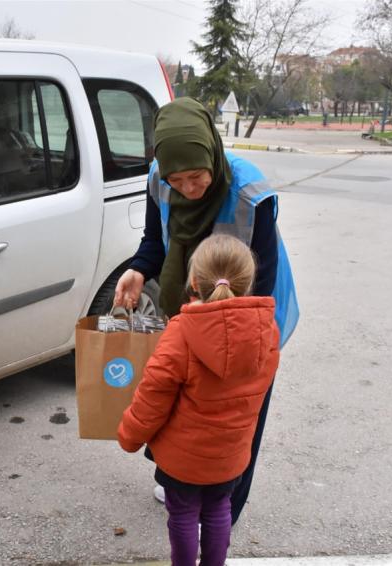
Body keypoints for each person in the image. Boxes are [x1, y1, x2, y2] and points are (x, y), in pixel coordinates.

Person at [112, 97, 298, 524]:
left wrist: (236, 338)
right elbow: (155, 240)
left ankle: (225, 508)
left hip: (254, 312)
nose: (187, 189)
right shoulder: (160, 177)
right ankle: (180, 479)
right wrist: (139, 270)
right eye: (177, 181)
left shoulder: (251, 193)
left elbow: (262, 279)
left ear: (211, 152)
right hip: (189, 311)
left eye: (196, 177)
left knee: (235, 416)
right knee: (183, 401)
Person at [118, 234, 280, 566]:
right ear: (248, 283)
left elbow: (153, 396)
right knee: (220, 508)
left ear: (193, 281)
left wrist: (129, 436)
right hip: (230, 455)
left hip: (183, 460)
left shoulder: (182, 333)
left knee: (182, 514)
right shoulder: (267, 331)